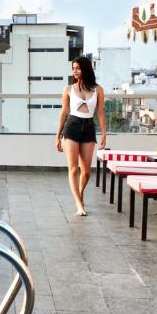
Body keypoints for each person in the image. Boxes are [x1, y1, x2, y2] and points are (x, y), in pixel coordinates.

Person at [55, 56, 107, 216]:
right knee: (73, 169)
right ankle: (79, 205)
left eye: (77, 68)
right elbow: (64, 112)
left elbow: (100, 112)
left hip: (89, 127)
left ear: (85, 69)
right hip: (72, 126)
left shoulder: (98, 89)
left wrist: (104, 133)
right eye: (73, 68)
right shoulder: (68, 89)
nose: (75, 71)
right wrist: (57, 136)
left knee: (86, 171)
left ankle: (80, 193)